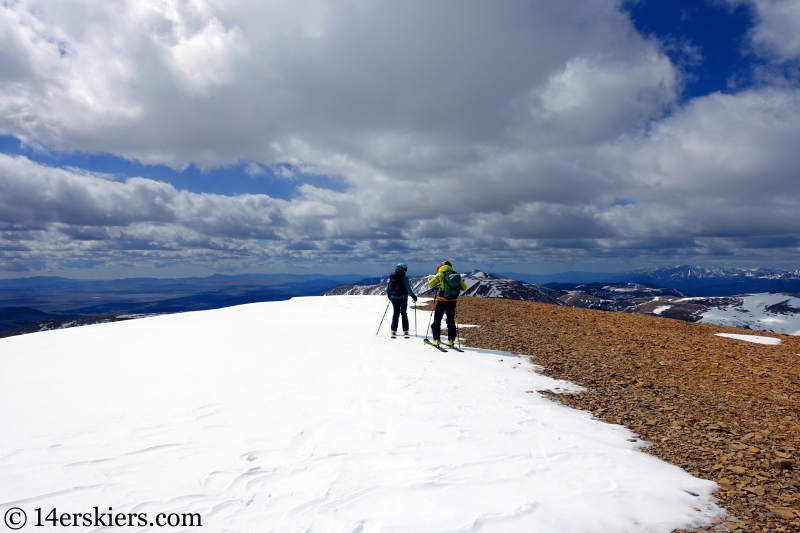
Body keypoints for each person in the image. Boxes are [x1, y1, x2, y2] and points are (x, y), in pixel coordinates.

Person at [427, 260, 467, 347]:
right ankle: (451, 340)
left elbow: (430, 285)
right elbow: (464, 288)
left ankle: (436, 340)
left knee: (437, 321)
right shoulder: (456, 275)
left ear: (442, 265)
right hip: (452, 302)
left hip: (441, 301)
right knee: (451, 321)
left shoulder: (440, 274)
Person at [387, 263, 417, 338]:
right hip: (403, 298)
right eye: (406, 269)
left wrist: (389, 296)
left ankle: (393, 331)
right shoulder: (405, 278)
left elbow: (388, 288)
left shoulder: (392, 276)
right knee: (404, 313)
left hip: (393, 297)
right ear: (403, 269)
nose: (406, 271)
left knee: (395, 313)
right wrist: (413, 296)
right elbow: (408, 288)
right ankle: (405, 331)